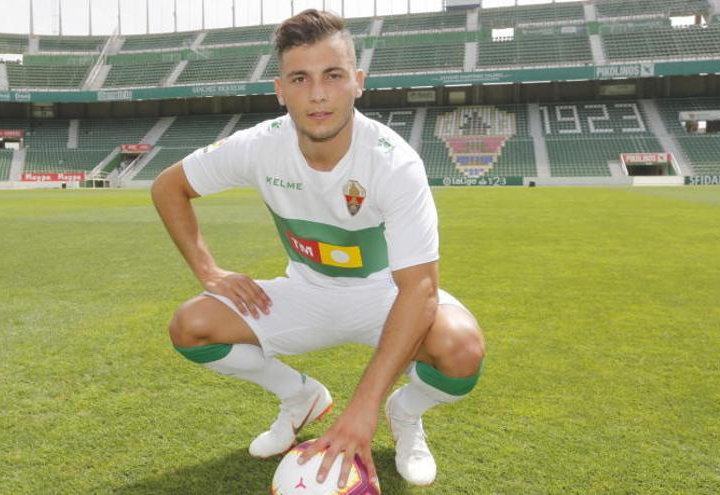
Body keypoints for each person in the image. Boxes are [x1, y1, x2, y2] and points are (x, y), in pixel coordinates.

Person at [151, 9, 485, 489]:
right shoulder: (258, 146)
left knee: (462, 350)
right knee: (192, 326)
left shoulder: (395, 164)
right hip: (305, 291)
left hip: (384, 297)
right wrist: (210, 271)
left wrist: (364, 408)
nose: (318, 94)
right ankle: (299, 396)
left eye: (333, 75)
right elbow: (167, 187)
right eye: (300, 79)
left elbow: (420, 291)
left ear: (358, 82)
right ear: (280, 90)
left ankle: (406, 415)